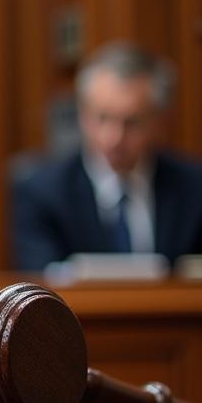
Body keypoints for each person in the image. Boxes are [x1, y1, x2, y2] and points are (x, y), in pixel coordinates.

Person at [11, 41, 202, 270]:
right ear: (82, 115)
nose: (114, 138)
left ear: (161, 123)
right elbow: (39, 290)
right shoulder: (41, 191)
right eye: (102, 118)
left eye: (131, 123)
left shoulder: (194, 187)